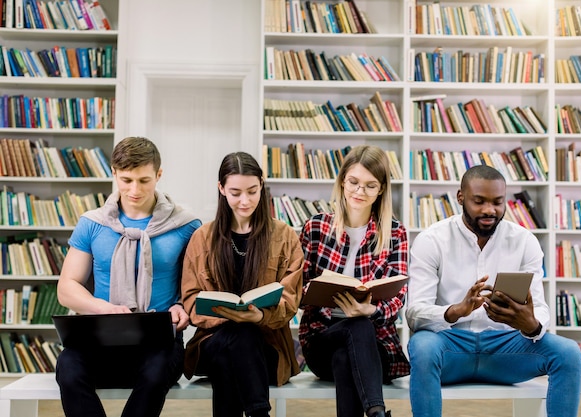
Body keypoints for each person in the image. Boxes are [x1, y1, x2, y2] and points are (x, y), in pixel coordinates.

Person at [405, 165, 581, 417]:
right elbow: (414, 313)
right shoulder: (431, 240)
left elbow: (540, 307)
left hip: (506, 350)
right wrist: (455, 311)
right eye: (479, 201)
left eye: (498, 202)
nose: (490, 210)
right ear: (460, 197)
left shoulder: (524, 241)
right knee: (422, 346)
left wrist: (530, 324)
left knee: (568, 352)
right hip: (449, 347)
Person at [55, 136, 202, 417]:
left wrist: (182, 308)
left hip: (160, 341)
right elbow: (67, 287)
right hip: (99, 337)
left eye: (144, 180)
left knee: (156, 373)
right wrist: (106, 309)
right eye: (126, 180)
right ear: (113, 173)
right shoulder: (92, 224)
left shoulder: (187, 225)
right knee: (69, 370)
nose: (134, 189)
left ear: (159, 175)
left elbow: (196, 286)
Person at [181, 151, 303, 417]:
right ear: (221, 189)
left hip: (267, 348)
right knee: (237, 336)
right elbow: (190, 299)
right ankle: (260, 413)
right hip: (212, 342)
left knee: (240, 342)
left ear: (262, 184)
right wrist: (227, 317)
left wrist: (259, 316)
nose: (245, 201)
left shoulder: (284, 236)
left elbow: (291, 298)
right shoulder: (203, 238)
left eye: (252, 191)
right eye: (235, 192)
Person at [298, 145, 409, 417]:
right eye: (354, 182)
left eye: (370, 186)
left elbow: (399, 295)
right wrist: (313, 290)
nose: (360, 192)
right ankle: (377, 413)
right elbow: (296, 290)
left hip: (375, 345)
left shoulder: (395, 233)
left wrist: (370, 310)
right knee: (350, 334)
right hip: (322, 338)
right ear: (342, 181)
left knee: (353, 337)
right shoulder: (315, 228)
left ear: (381, 189)